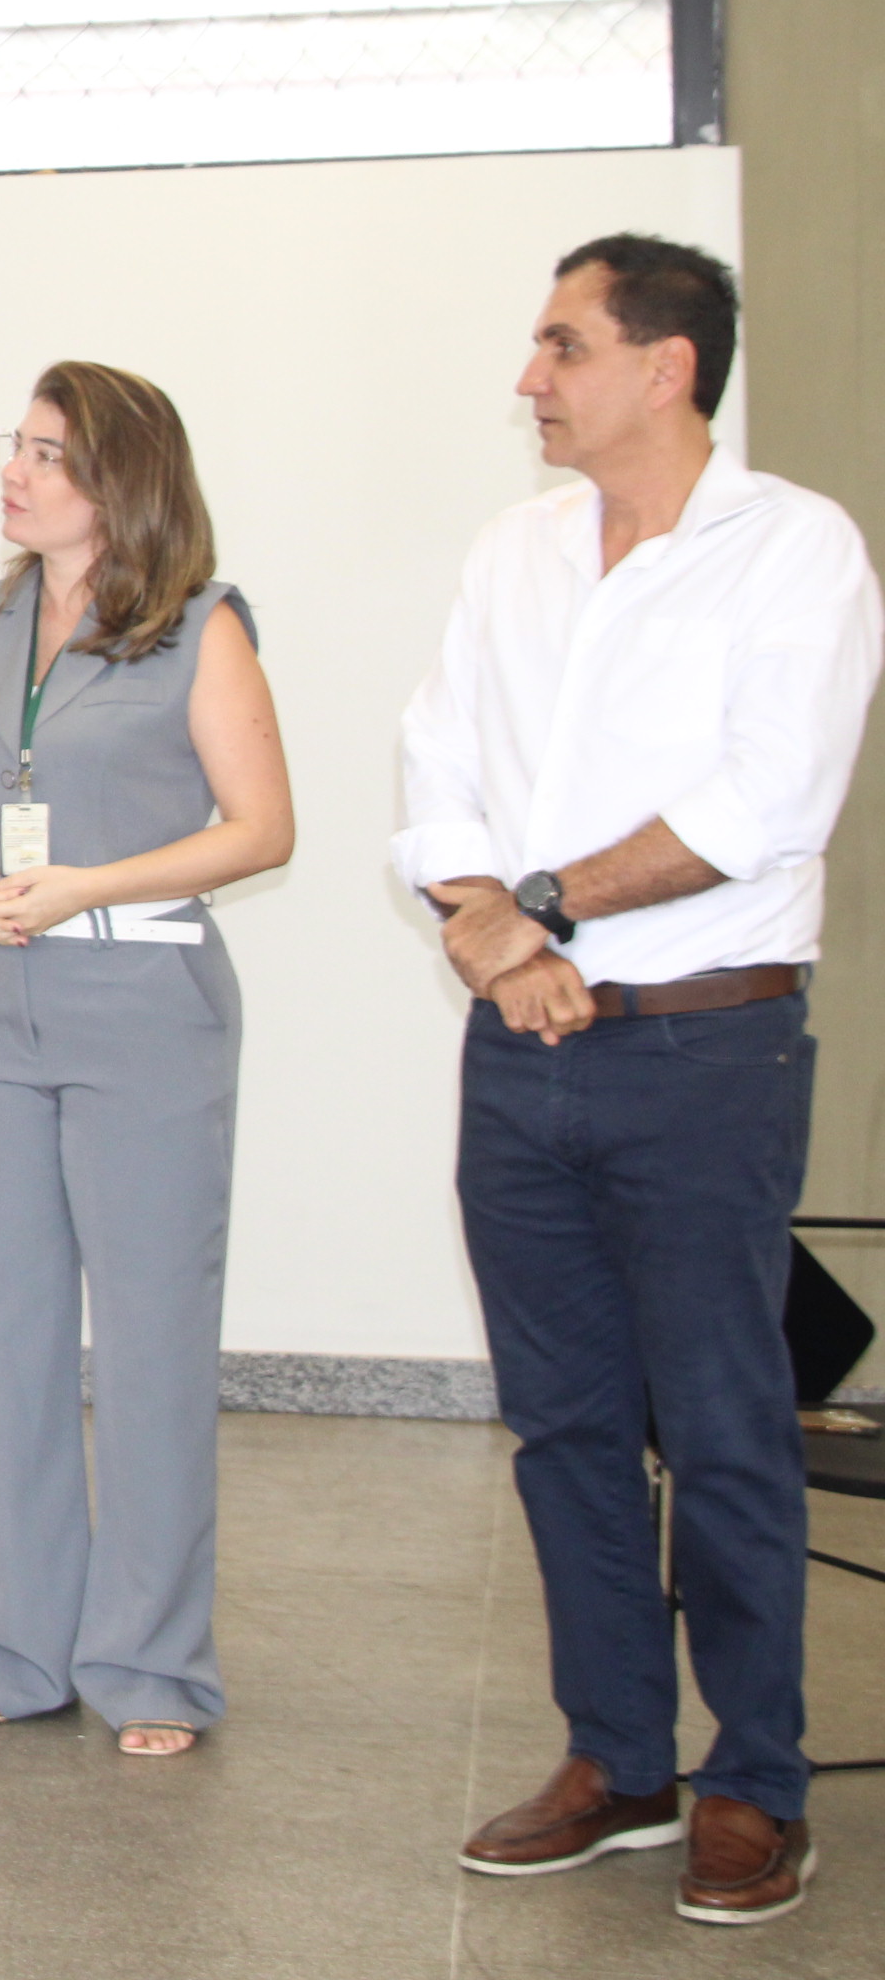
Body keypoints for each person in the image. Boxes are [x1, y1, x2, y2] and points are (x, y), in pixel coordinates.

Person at [399, 236, 879, 1925]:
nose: (526, 377)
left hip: (702, 1047)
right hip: (518, 1051)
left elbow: (760, 804)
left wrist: (534, 906)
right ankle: (616, 1759)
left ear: (664, 367)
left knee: (722, 1426)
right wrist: (489, 938)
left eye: (558, 345)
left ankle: (752, 1781)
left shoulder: (791, 550)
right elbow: (436, 765)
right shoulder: (509, 553)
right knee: (565, 1428)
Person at [0, 363, 292, 1757]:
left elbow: (261, 828)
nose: (17, 469)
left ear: (120, 479)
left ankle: (155, 1665)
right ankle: (15, 1647)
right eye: (18, 444)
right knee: (6, 1336)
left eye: (48, 453)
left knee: (154, 1345)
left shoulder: (198, 629)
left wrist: (87, 883)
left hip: (147, 1001)